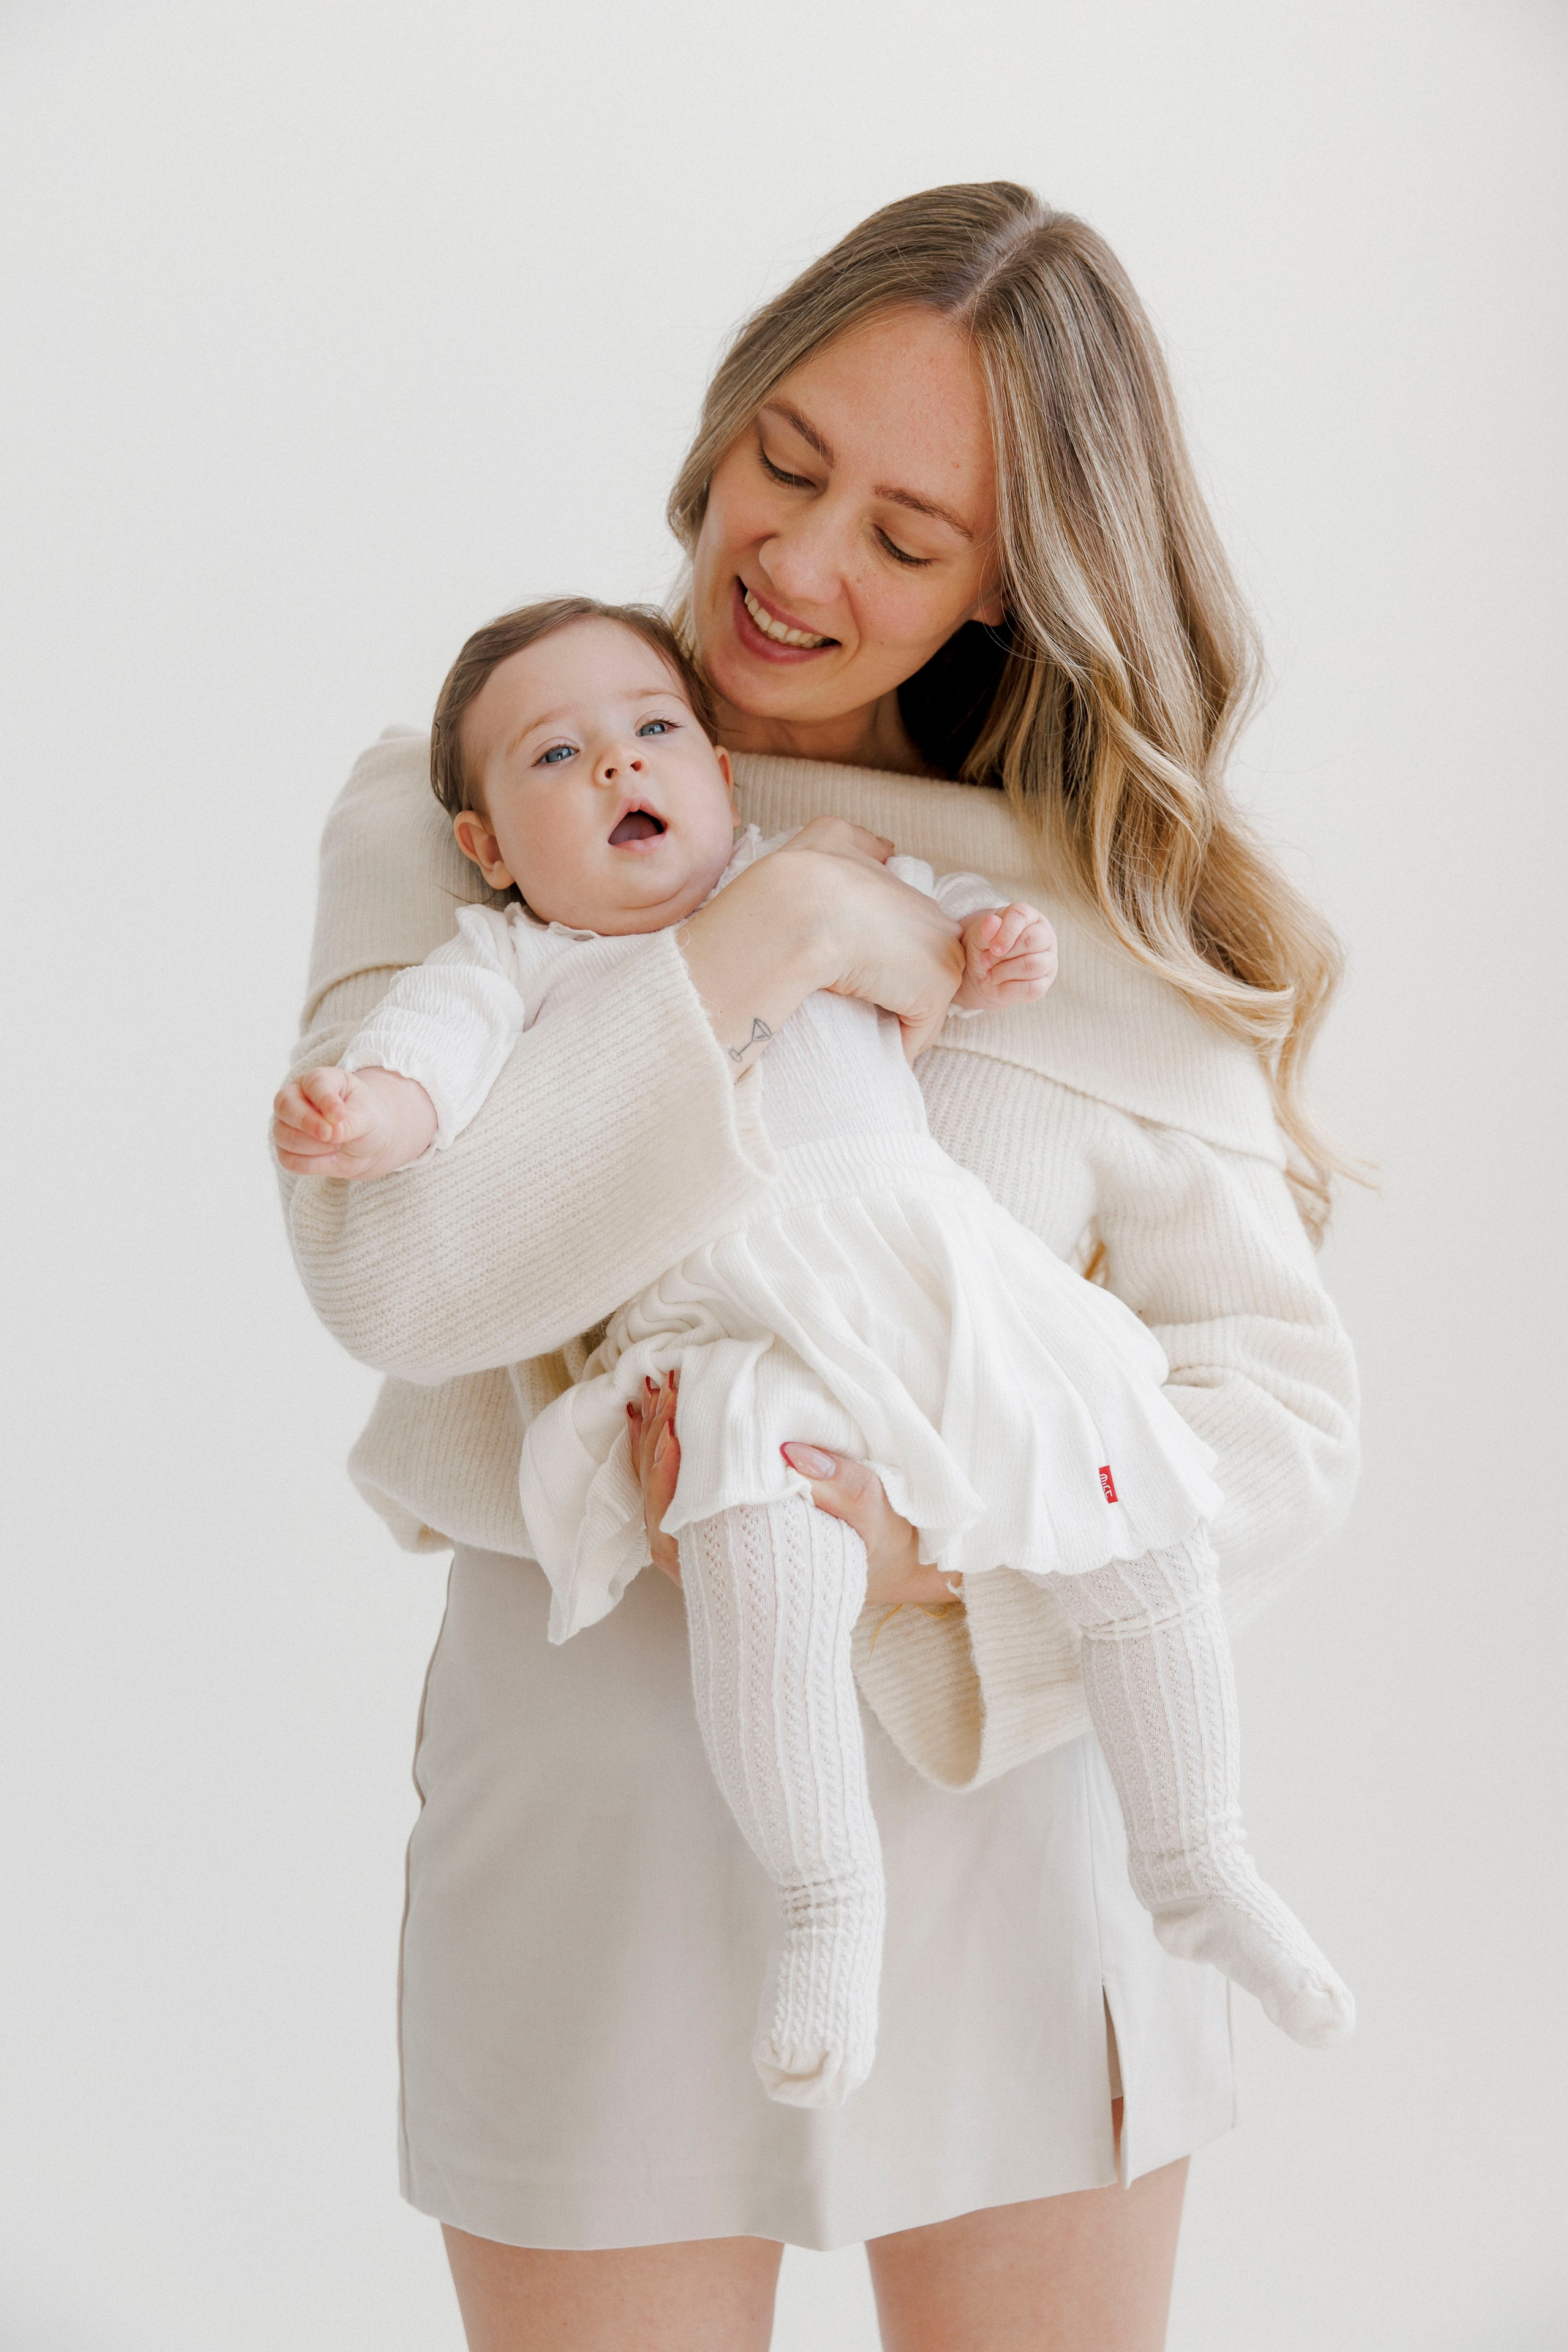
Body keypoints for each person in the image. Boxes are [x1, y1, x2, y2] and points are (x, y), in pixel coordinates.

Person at [278, 184, 1359, 2349]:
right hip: (596, 1821)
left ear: (1007, 584)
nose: (794, 562)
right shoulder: (479, 802)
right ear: (724, 421)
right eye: (786, 462)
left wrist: (927, 1562)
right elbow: (403, 1278)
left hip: (1013, 1827)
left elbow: (1278, 1422)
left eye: (905, 534)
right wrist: (767, 933)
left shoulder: (1085, 914)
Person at [276, 593, 1352, 2115]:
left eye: (651, 732)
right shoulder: (510, 961)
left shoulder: (825, 866)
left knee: (1136, 1512)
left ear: (717, 776)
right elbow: (425, 1076)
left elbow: (956, 940)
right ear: (487, 845)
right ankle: (826, 1902)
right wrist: (368, 1113)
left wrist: (989, 944)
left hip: (936, 1286)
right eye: (557, 758)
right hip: (737, 1331)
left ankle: (1195, 1858)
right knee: (763, 1563)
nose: (615, 766)